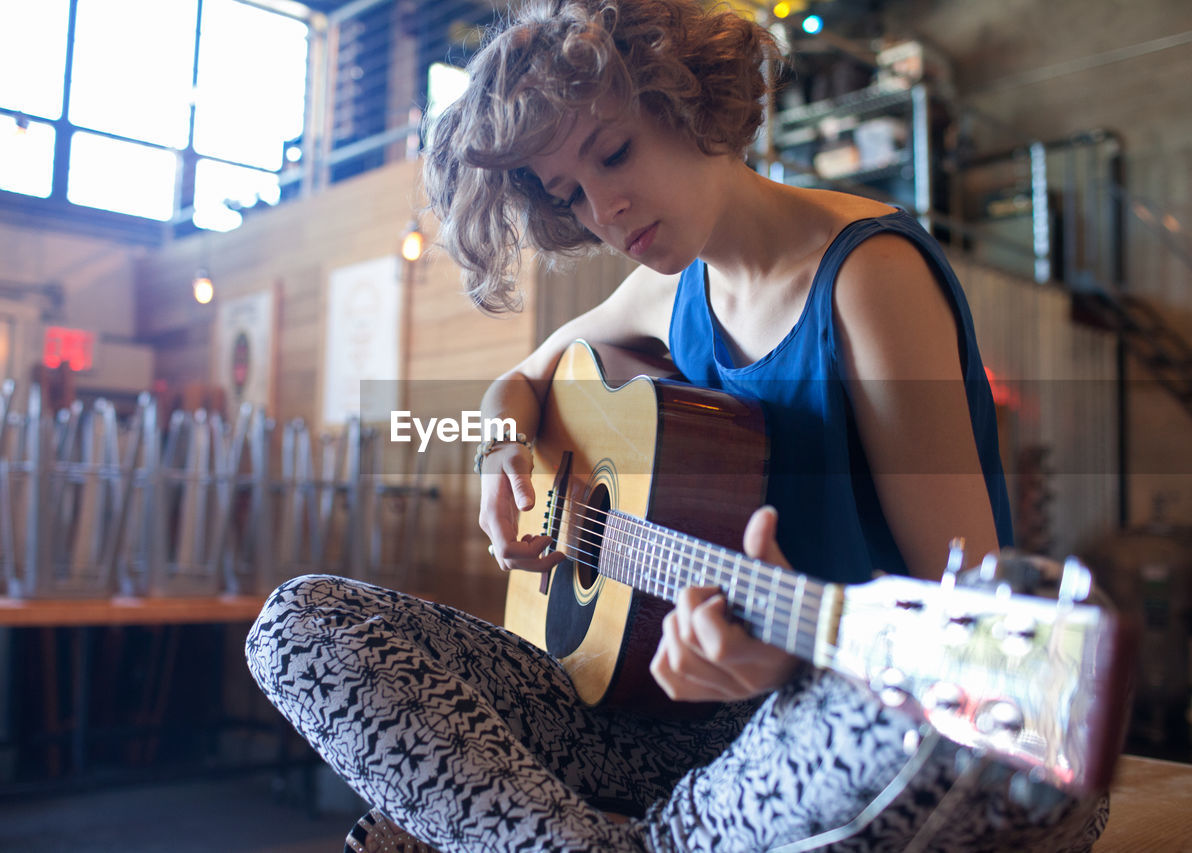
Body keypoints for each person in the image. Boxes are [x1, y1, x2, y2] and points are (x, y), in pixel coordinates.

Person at [246, 1, 1109, 850]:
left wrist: (786, 670)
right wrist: (501, 454)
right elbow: (520, 379)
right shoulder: (669, 290)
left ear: (689, 97)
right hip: (684, 727)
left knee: (411, 832)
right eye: (569, 195)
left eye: (614, 153)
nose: (605, 210)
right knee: (298, 627)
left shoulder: (866, 277)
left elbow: (974, 634)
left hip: (866, 725)